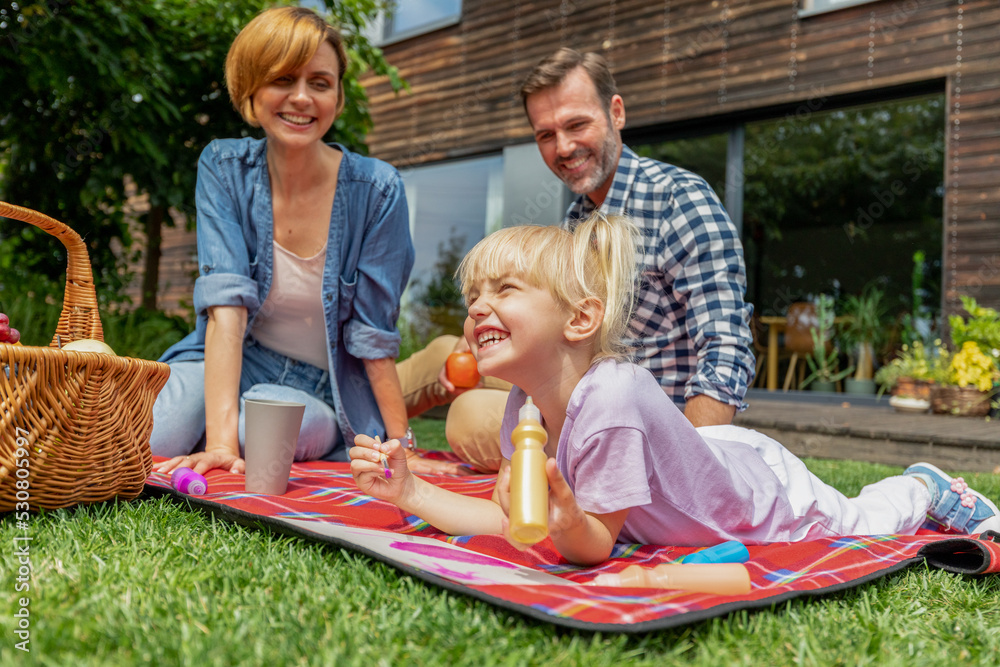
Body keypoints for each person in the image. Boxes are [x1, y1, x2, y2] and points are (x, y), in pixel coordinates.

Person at [354, 214, 999, 566]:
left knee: (860, 520)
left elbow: (589, 549)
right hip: (707, 453)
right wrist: (410, 490)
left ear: (579, 320)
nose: (477, 311)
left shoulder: (607, 400)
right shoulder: (525, 407)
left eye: (503, 292)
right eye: (473, 299)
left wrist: (572, 520)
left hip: (761, 491)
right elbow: (512, 522)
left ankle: (925, 486)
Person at [397, 47, 754, 473]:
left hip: (636, 426)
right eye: (546, 135)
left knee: (469, 415)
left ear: (616, 113)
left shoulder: (678, 199)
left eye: (576, 124)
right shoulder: (577, 218)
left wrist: (694, 467)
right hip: (577, 390)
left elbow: (726, 343)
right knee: (447, 350)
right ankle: (352, 420)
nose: (563, 147)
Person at [152, 6, 414, 477]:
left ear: (337, 95)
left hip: (321, 388)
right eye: (282, 79)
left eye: (319, 82)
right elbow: (226, 311)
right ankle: (212, 423)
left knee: (263, 428)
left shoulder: (378, 190)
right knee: (160, 428)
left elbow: (374, 338)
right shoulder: (224, 168)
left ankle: (248, 423)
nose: (301, 98)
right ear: (251, 89)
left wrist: (403, 447)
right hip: (236, 360)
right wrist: (219, 444)